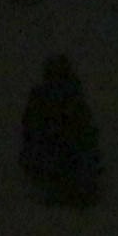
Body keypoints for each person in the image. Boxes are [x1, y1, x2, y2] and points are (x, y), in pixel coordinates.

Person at [16, 52, 103, 207]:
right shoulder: (42, 95)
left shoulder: (72, 95)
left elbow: (84, 125)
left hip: (67, 146)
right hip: (50, 146)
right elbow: (31, 125)